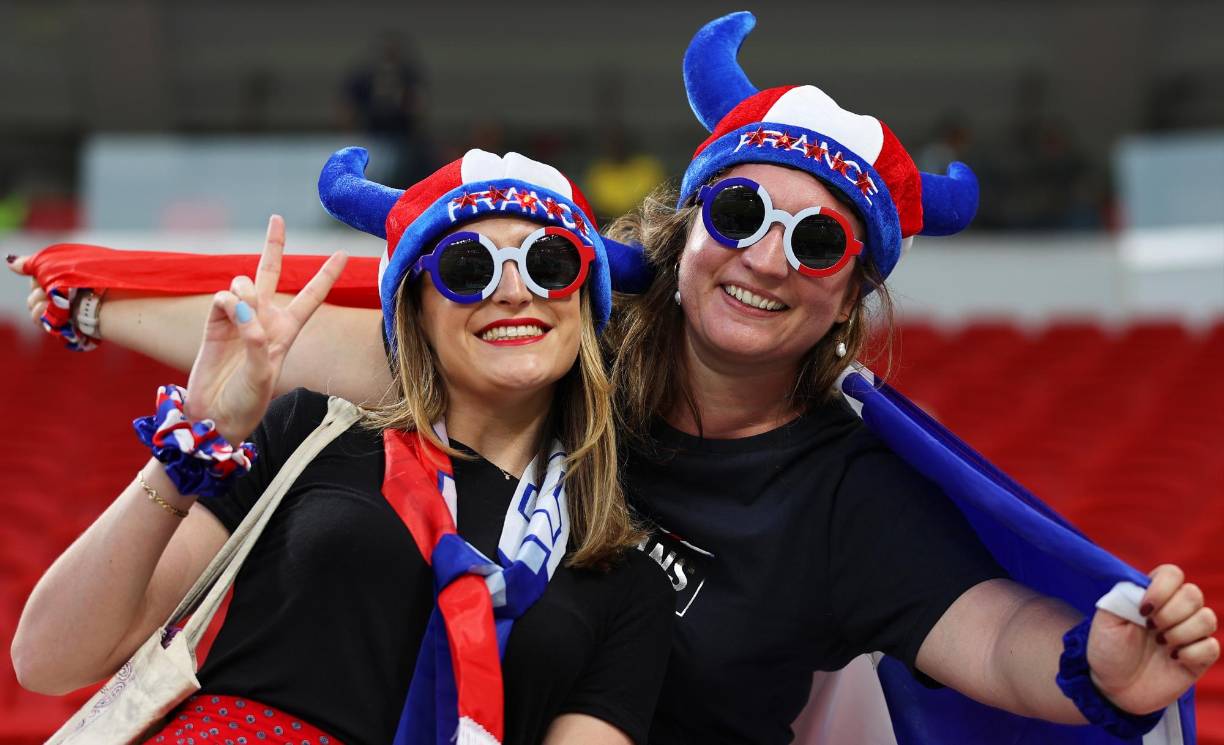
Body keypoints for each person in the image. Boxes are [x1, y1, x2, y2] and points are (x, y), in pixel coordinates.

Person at [9, 13, 1218, 744]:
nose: (765, 256)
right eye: (740, 211)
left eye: (819, 239)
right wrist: (114, 312)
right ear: (684, 229)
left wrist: (1097, 672)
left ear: (851, 294)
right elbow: (335, 341)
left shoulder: (825, 505)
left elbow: (997, 634)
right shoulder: (474, 385)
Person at [11, 148, 674, 745]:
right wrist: (194, 441)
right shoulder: (311, 433)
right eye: (467, 267)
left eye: (548, 263)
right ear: (411, 307)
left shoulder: (624, 577)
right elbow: (49, 658)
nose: (511, 290)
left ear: (587, 303)